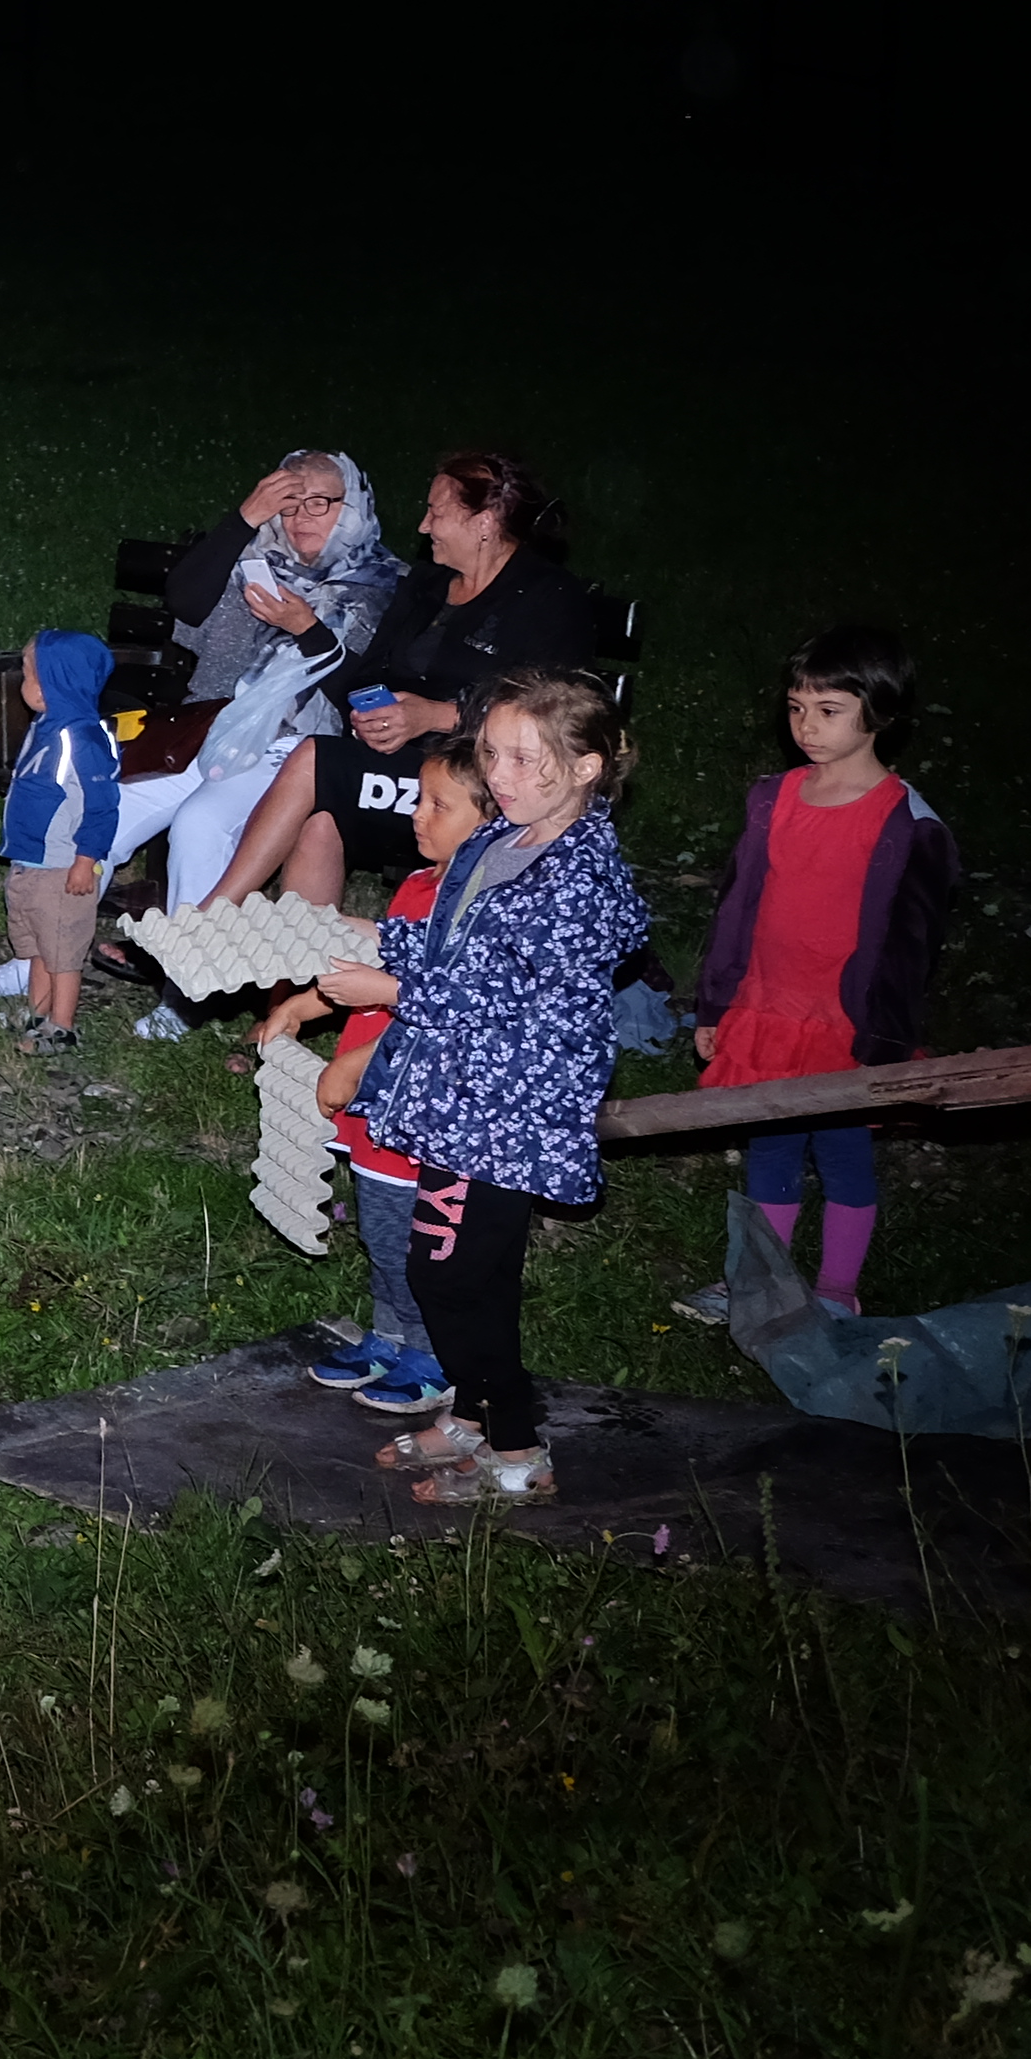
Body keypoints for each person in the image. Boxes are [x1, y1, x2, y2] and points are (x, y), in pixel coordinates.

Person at [304, 668, 649, 1508]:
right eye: (492, 753)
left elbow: (514, 1000)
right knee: (472, 1274)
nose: (500, 775)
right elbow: (455, 950)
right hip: (462, 1094)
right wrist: (370, 937)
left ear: (587, 768)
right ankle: (479, 1411)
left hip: (511, 1109)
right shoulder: (504, 842)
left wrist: (389, 991)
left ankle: (518, 1450)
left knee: (451, 1276)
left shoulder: (578, 881)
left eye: (527, 760)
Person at [676, 628, 960, 1324]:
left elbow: (910, 946)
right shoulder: (773, 799)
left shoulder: (907, 823)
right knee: (769, 1148)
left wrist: (885, 1041)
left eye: (828, 709)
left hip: (843, 1026)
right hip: (768, 1012)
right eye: (797, 707)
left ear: (880, 712)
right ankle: (756, 1283)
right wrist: (718, 1004)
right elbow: (738, 905)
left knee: (842, 1156)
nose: (806, 724)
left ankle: (836, 1291)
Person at [196, 449, 603, 909]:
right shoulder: (427, 585)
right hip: (400, 768)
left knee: (315, 760)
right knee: (320, 822)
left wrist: (433, 716)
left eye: (436, 512)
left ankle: (210, 917)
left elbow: (553, 712)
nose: (423, 527)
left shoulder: (549, 598)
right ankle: (303, 980)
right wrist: (375, 713)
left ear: (484, 521)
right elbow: (369, 675)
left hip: (480, 780)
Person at [255, 736, 490, 1417]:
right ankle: (390, 1332)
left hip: (411, 1101)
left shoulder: (474, 909)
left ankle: (433, 1350)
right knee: (380, 1226)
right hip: (371, 1105)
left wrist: (356, 1063)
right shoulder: (417, 888)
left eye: (439, 805)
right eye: (419, 799)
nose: (418, 815)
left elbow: (423, 1001)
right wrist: (305, 1003)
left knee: (417, 1233)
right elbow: (371, 978)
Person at [97, 454, 411, 924]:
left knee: (200, 825)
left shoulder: (389, 588)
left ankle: (189, 989)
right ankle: (40, 960)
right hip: (205, 726)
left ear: (354, 507)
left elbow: (366, 692)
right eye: (288, 504)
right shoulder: (254, 561)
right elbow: (183, 602)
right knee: (98, 809)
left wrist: (307, 629)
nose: (300, 517)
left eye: (320, 503)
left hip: (299, 749)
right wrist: (244, 517)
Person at [0, 632, 120, 1050]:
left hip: (62, 866)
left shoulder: (83, 739)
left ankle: (62, 1026)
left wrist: (86, 859)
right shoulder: (45, 728)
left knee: (64, 952)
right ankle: (38, 1012)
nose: (22, 683)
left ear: (56, 681)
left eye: (29, 673)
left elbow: (102, 805)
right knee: (37, 945)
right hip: (31, 861)